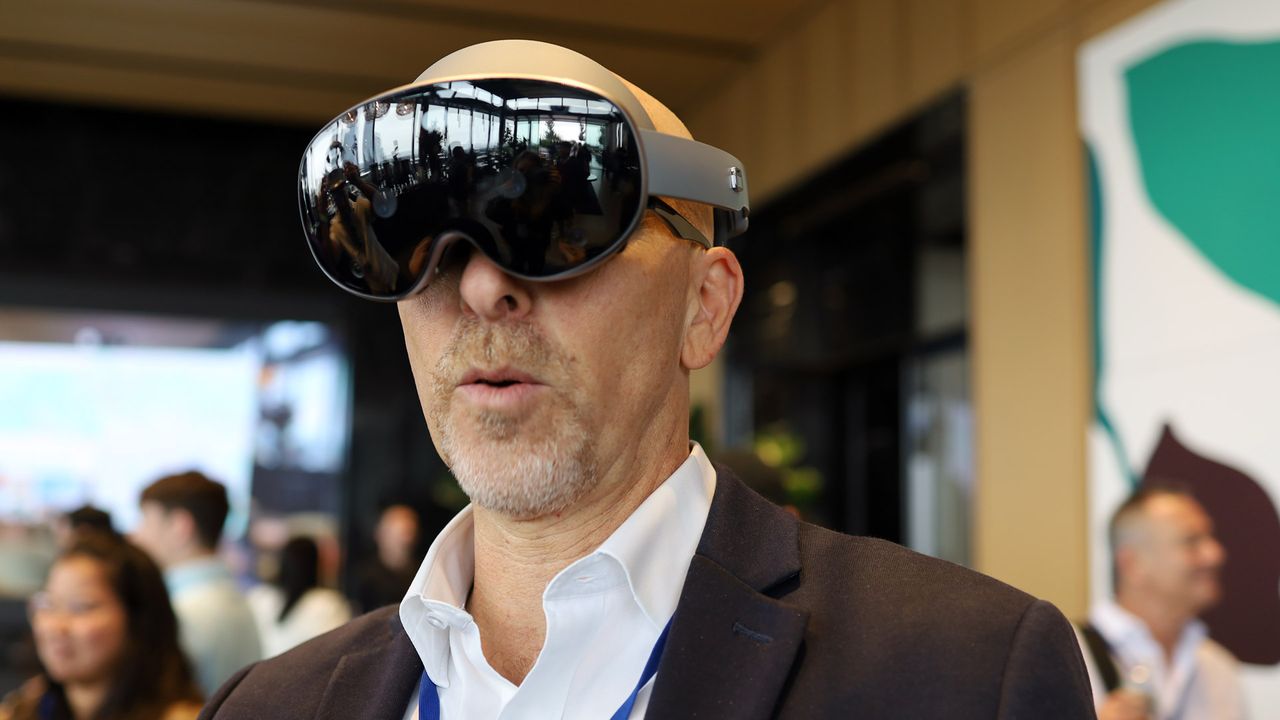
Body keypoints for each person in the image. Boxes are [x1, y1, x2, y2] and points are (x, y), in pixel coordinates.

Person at [199, 39, 1094, 719]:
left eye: (559, 223)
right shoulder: (269, 706)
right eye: (416, 240)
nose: (480, 286)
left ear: (705, 306)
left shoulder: (962, 675)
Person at [1077, 486, 1245, 720]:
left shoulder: (1218, 668)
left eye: (1210, 538)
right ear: (1132, 564)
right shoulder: (1068, 655)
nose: (1215, 554)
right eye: (1191, 542)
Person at [0, 532, 202, 720]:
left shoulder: (181, 715)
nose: (56, 627)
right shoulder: (27, 706)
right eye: (48, 604)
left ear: (138, 618)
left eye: (80, 607)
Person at [129, 472, 261, 697]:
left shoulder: (180, 611)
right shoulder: (237, 598)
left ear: (180, 526)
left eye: (145, 521)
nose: (136, 535)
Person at [247, 536, 351, 658]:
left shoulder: (259, 597)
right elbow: (337, 652)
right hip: (306, 669)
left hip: (261, 669)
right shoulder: (328, 603)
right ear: (316, 564)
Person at [351, 504, 421, 613]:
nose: (405, 541)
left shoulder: (421, 575)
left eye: (408, 534)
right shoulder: (364, 577)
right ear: (379, 535)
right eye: (398, 534)